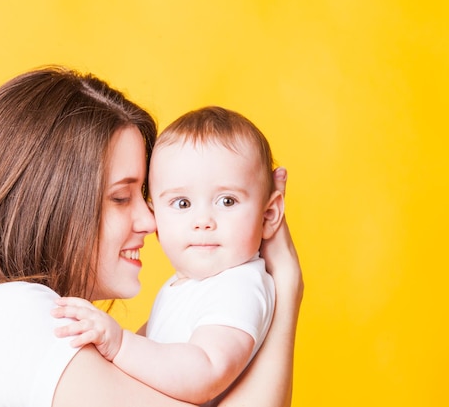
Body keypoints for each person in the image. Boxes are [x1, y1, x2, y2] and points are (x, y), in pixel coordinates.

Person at [0, 65, 303, 407]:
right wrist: (285, 289)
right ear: (50, 203)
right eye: (122, 197)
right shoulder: (9, 311)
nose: (150, 221)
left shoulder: (3, 319)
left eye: (142, 196)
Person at [52, 106, 285, 405]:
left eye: (227, 200)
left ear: (269, 215)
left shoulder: (239, 285)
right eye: (182, 203)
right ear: (157, 217)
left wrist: (120, 343)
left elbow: (207, 369)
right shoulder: (186, 286)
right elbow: (154, 347)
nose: (203, 220)